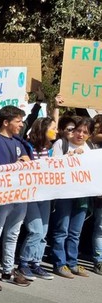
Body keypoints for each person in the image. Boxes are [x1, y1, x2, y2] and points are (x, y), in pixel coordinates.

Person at [0, 105, 32, 290]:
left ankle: (8, 269)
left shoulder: (18, 141)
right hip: (2, 195)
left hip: (19, 194)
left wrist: (18, 164)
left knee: (13, 234)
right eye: (18, 121)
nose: (21, 124)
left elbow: (27, 161)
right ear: (6, 122)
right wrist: (16, 165)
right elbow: (0, 168)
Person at [50, 116, 94, 278]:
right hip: (65, 194)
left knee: (75, 231)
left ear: (89, 135)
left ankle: (72, 262)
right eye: (78, 130)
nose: (80, 135)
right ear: (72, 130)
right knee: (62, 229)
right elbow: (53, 165)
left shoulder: (90, 149)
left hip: (82, 195)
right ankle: (59, 263)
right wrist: (72, 155)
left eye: (85, 132)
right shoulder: (61, 144)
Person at [18, 117, 57, 280]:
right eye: (52, 128)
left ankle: (36, 263)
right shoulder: (28, 146)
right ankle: (23, 263)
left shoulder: (48, 148)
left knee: (44, 232)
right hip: (31, 194)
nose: (55, 131)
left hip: (45, 194)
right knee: (36, 230)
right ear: (43, 129)